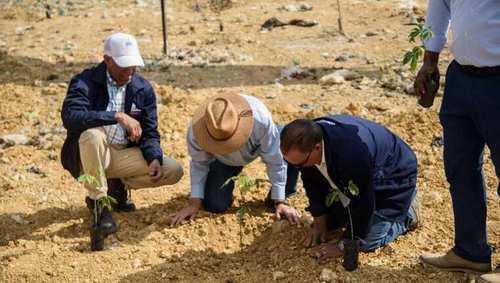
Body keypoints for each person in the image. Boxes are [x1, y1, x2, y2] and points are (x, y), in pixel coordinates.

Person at [60, 33, 183, 251]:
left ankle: (116, 186)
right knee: (92, 135)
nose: (130, 72)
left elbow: (150, 131)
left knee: (172, 169)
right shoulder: (85, 82)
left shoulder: (142, 88)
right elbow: (71, 117)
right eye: (124, 66)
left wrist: (153, 157)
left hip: (121, 155)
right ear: (107, 60)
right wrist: (116, 116)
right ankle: (100, 208)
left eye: (133, 65)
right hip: (89, 154)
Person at [415, 1, 500, 280]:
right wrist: (429, 61)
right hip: (461, 78)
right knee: (460, 168)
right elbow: (439, 7)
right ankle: (470, 251)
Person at [280, 116, 419, 261]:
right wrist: (319, 222)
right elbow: (311, 180)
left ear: (317, 148)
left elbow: (363, 202)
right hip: (361, 170)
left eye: (300, 164)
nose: (298, 168)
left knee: (366, 240)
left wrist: (344, 245)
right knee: (332, 222)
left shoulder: (351, 156)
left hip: (393, 172)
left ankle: (408, 213)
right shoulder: (308, 139)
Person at [170, 93, 300, 226]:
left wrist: (279, 200)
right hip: (223, 161)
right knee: (215, 205)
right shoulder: (196, 133)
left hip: (259, 145)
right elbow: (199, 164)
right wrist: (194, 202)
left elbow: (275, 160)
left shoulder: (260, 119)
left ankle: (279, 197)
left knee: (291, 140)